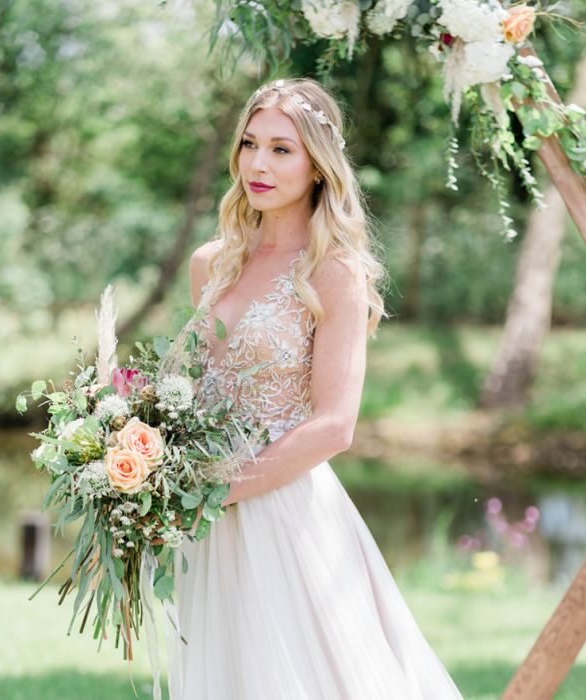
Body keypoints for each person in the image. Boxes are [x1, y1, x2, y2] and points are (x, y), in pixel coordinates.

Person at [166, 77, 464, 699]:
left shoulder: (333, 271)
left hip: (285, 516)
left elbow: (335, 425)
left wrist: (219, 490)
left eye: (282, 149)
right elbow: (198, 391)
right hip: (207, 525)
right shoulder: (210, 263)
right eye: (250, 144)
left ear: (318, 166)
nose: (259, 163)